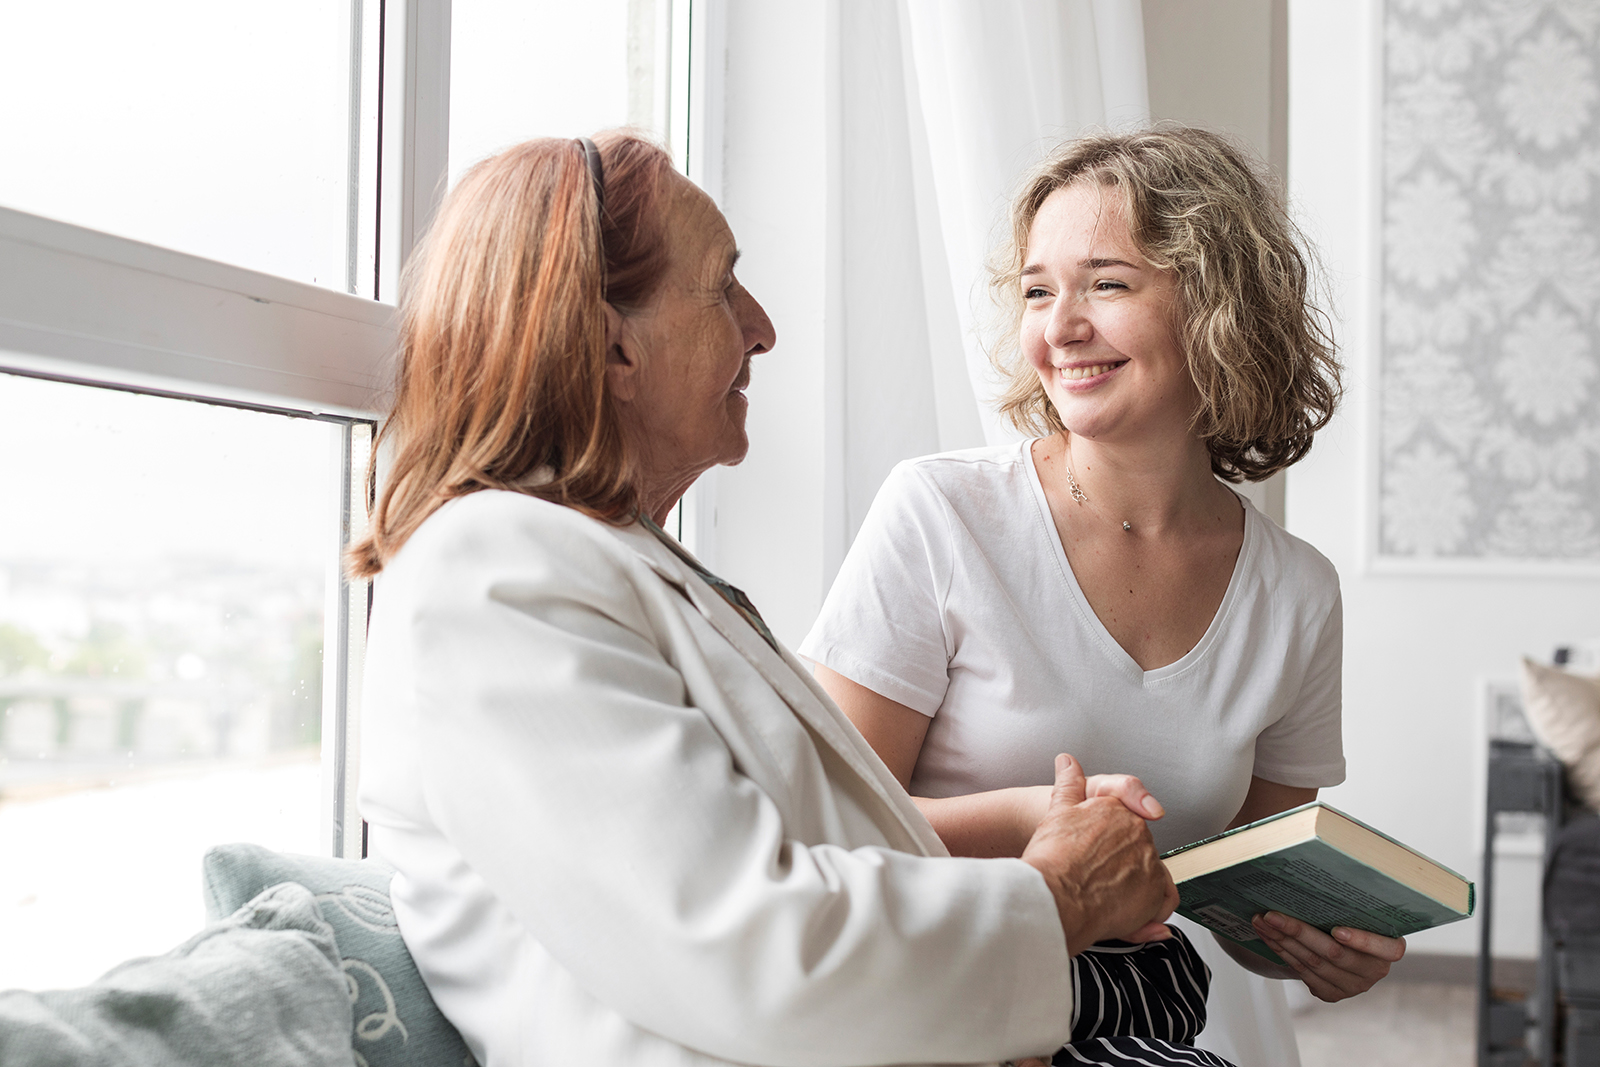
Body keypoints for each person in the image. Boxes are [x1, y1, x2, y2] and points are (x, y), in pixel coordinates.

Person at [349, 131, 1221, 1067]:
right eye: (723, 286)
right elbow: (748, 952)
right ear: (615, 349)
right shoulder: (494, 578)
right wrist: (1062, 893)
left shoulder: (610, 562)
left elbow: (796, 854)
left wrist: (1023, 831)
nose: (761, 326)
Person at [800, 127, 1406, 1067]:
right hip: (939, 999)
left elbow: (1239, 893)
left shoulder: (1297, 594)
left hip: (1142, 1013)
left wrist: (1318, 948)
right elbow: (821, 828)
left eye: (1107, 283)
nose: (1059, 327)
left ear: (1219, 306)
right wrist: (1030, 821)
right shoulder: (942, 512)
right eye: (1039, 290)